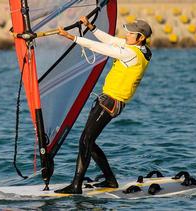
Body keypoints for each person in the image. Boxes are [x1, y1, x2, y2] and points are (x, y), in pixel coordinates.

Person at [55, 17, 152, 194]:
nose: (127, 35)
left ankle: (76, 186)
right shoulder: (142, 50)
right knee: (88, 141)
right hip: (110, 101)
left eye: (131, 33)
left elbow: (100, 48)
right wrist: (91, 27)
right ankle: (110, 180)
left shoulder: (131, 54)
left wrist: (72, 38)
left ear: (140, 38)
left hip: (110, 102)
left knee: (86, 140)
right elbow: (111, 40)